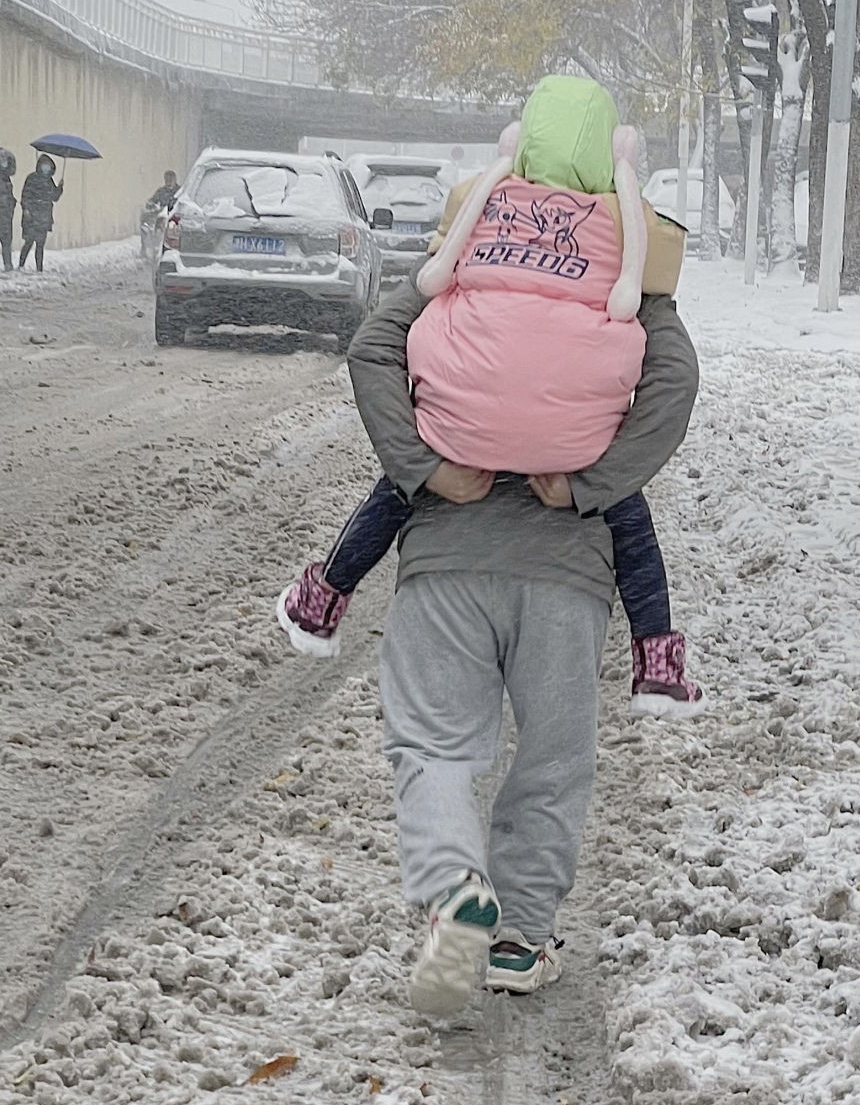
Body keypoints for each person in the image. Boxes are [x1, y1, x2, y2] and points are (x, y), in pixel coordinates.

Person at [345, 232, 699, 1018]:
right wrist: (589, 483)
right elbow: (673, 384)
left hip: (447, 562)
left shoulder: (472, 251)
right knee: (551, 758)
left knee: (433, 744)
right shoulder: (620, 270)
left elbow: (374, 348)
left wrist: (425, 466)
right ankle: (520, 941)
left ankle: (453, 886)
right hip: (566, 581)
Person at [278, 79, 702, 714]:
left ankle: (322, 600)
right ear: (613, 152)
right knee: (630, 519)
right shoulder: (627, 222)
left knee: (395, 488)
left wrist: (425, 466)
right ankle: (656, 659)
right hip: (573, 445)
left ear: (523, 144)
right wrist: (592, 483)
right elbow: (674, 369)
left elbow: (383, 335)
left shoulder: (483, 204)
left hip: (462, 428)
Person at [19, 154, 64, 272]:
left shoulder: (49, 181)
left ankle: (39, 268)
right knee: (29, 242)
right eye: (44, 165)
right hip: (33, 216)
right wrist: (26, 209)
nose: (46, 168)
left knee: (40, 244)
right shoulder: (32, 178)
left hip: (44, 216)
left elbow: (54, 197)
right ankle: (21, 264)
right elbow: (25, 196)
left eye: (48, 166)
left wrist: (59, 188)